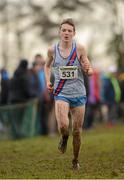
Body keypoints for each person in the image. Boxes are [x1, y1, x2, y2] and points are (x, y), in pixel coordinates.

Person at [45, 18, 93, 170]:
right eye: (64, 30)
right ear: (59, 32)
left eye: (69, 31)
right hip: (61, 93)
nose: (66, 33)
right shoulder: (52, 50)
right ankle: (64, 137)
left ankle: (75, 160)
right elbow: (47, 66)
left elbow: (89, 69)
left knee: (77, 131)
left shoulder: (80, 48)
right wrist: (48, 81)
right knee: (64, 125)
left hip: (78, 93)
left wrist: (88, 70)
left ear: (74, 33)